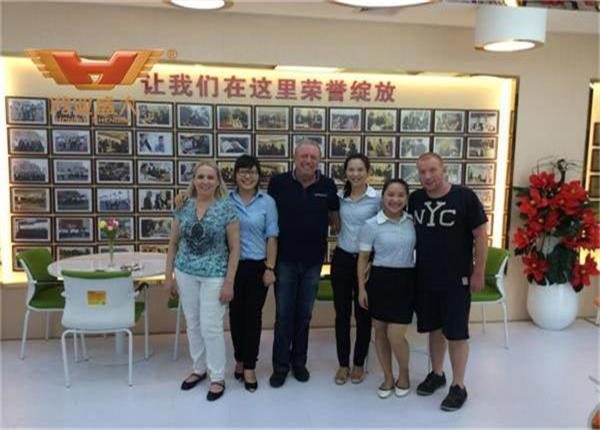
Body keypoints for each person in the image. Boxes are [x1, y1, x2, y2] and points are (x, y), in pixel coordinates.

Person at [408, 152, 488, 411]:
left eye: (432, 170)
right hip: (426, 277)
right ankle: (437, 374)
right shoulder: (415, 199)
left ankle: (459, 386)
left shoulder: (464, 197)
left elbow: (481, 236)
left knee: (456, 333)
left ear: (443, 169)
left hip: (456, 279)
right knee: (434, 329)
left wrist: (479, 272)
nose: (427, 176)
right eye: (422, 172)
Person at [165, 161, 240, 402]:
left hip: (215, 275)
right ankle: (198, 369)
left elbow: (235, 248)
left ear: (218, 181)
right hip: (185, 272)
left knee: (211, 326)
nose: (205, 181)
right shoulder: (183, 205)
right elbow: (173, 243)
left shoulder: (227, 208)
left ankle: (217, 377)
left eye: (210, 177)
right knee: (193, 324)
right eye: (200, 177)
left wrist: (229, 282)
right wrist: (168, 276)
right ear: (194, 180)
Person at [268, 140, 340, 388]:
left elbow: (335, 219)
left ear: (319, 161)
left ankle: (299, 363)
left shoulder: (328, 185)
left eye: (313, 157)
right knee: (284, 315)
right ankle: (280, 366)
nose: (308, 161)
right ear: (294, 157)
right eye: (304, 156)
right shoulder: (278, 183)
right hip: (284, 261)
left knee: (304, 315)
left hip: (313, 262)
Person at [357, 179, 416, 399]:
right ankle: (388, 377)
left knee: (395, 334)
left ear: (406, 199)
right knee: (380, 332)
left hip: (405, 280)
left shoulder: (413, 222)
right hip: (379, 280)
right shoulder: (371, 225)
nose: (395, 199)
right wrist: (361, 288)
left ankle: (404, 374)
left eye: (400, 195)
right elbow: (363, 258)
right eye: (390, 194)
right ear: (383, 197)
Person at [228, 155, 279, 392]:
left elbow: (272, 237)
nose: (247, 176)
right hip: (231, 267)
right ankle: (239, 358)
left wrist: (270, 268)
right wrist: (183, 196)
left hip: (258, 267)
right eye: (242, 171)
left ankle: (250, 365)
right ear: (235, 175)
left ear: (259, 176)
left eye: (252, 172)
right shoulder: (225, 199)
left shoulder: (267, 202)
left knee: (253, 317)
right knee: (235, 316)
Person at [330, 154, 380, 385]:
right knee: (341, 315)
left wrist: (374, 260)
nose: (356, 174)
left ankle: (359, 363)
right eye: (351, 169)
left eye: (360, 169)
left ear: (368, 172)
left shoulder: (377, 199)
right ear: (346, 172)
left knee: (363, 314)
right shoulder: (340, 198)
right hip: (342, 259)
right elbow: (334, 222)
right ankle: (343, 364)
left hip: (367, 261)